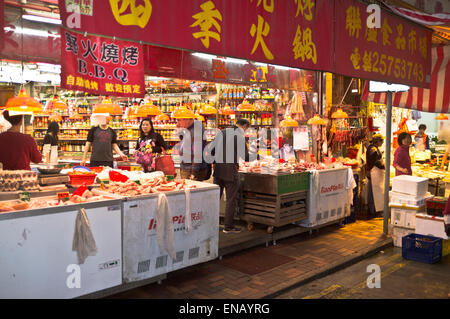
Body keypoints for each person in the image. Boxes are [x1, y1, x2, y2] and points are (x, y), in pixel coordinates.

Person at [213, 118, 253, 233]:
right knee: (231, 200)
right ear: (244, 126)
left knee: (215, 199)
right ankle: (228, 227)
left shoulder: (222, 132)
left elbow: (211, 151)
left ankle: (210, 226)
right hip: (230, 172)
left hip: (218, 170)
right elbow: (245, 156)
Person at [177, 116, 210, 181]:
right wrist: (179, 131)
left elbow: (197, 154)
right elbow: (184, 140)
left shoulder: (196, 130)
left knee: (190, 190)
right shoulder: (190, 127)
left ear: (187, 119)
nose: (178, 123)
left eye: (179, 120)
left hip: (190, 170)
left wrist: (193, 174)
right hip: (188, 167)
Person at [365, 134, 385, 217]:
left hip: (374, 173)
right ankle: (372, 211)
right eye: (381, 141)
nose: (382, 142)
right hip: (373, 173)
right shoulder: (373, 149)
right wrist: (383, 166)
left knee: (373, 192)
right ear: (377, 141)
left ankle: (373, 210)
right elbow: (375, 161)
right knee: (373, 192)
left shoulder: (373, 148)